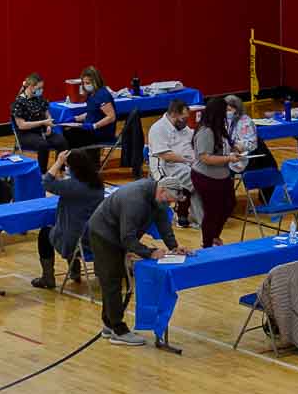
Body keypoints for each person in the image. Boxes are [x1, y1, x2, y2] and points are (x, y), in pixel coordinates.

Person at [85, 174, 190, 345]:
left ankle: (109, 323)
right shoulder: (136, 201)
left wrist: (174, 246)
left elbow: (163, 222)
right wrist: (149, 252)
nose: (169, 204)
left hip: (117, 233)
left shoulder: (158, 198)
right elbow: (127, 237)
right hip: (103, 234)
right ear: (162, 190)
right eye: (169, 200)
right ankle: (118, 330)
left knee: (117, 279)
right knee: (112, 280)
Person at [33, 146, 106, 291]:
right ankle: (74, 269)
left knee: (45, 233)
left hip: (77, 239)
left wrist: (59, 162)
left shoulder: (73, 186)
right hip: (96, 236)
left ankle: (48, 277)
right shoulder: (97, 182)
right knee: (64, 225)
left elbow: (46, 182)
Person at [190, 95, 242, 248]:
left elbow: (222, 146)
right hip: (205, 177)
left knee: (229, 204)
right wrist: (228, 159)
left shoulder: (219, 128)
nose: (228, 114)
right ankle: (207, 244)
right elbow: (205, 157)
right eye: (225, 111)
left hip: (222, 176)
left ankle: (214, 236)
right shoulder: (205, 131)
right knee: (212, 211)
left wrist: (234, 148)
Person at [147, 99, 196, 226]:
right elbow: (165, 155)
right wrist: (189, 160)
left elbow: (195, 138)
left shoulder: (184, 128)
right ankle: (183, 212)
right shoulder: (158, 128)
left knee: (204, 173)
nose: (186, 121)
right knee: (194, 176)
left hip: (184, 163)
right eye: (183, 118)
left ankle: (194, 212)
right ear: (174, 114)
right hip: (164, 165)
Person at [58, 65, 119, 152]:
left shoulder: (102, 95)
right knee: (66, 131)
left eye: (88, 83)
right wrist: (75, 118)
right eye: (84, 83)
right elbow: (92, 112)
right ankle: (67, 161)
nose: (86, 85)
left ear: (96, 81)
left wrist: (94, 126)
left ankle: (71, 161)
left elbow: (111, 117)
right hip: (91, 129)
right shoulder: (91, 94)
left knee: (70, 135)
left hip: (101, 132)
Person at [10, 73, 55, 162]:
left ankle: (63, 170)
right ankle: (43, 173)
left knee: (62, 141)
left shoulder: (40, 98)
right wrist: (42, 123)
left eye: (42, 88)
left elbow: (47, 114)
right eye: (39, 88)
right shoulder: (19, 102)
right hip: (26, 135)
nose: (41, 90)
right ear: (30, 87)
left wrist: (49, 125)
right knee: (43, 145)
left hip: (42, 131)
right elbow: (22, 125)